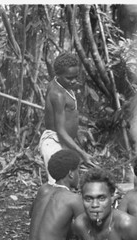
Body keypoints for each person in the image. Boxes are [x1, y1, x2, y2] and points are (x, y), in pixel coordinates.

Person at [23, 149, 84, 240]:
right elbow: (88, 231)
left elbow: (32, 214)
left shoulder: (43, 189)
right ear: (70, 173)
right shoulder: (73, 199)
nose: (79, 176)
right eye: (78, 171)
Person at [40, 52, 96, 184]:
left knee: (72, 184)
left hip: (65, 142)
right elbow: (60, 130)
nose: (74, 81)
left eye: (76, 77)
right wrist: (82, 153)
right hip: (54, 142)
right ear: (57, 75)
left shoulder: (62, 85)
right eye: (69, 78)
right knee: (59, 186)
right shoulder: (58, 94)